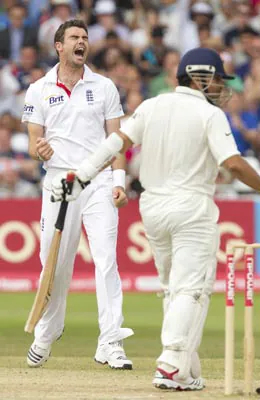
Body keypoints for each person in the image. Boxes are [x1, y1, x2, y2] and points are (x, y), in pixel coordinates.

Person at [51, 48, 260, 390]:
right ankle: (169, 365)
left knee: (173, 289)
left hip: (153, 209)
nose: (221, 87)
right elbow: (233, 163)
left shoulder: (152, 105)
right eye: (217, 79)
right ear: (199, 76)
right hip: (191, 208)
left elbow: (115, 142)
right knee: (191, 289)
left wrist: (82, 177)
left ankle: (187, 370)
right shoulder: (209, 115)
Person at [22, 19, 133, 369]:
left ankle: (110, 341)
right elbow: (32, 144)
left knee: (106, 260)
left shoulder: (104, 86)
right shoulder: (38, 89)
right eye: (74, 37)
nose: (82, 41)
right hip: (59, 182)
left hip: (98, 181)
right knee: (55, 264)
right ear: (59, 46)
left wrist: (120, 180)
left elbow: (117, 140)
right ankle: (48, 331)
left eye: (85, 37)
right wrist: (39, 149)